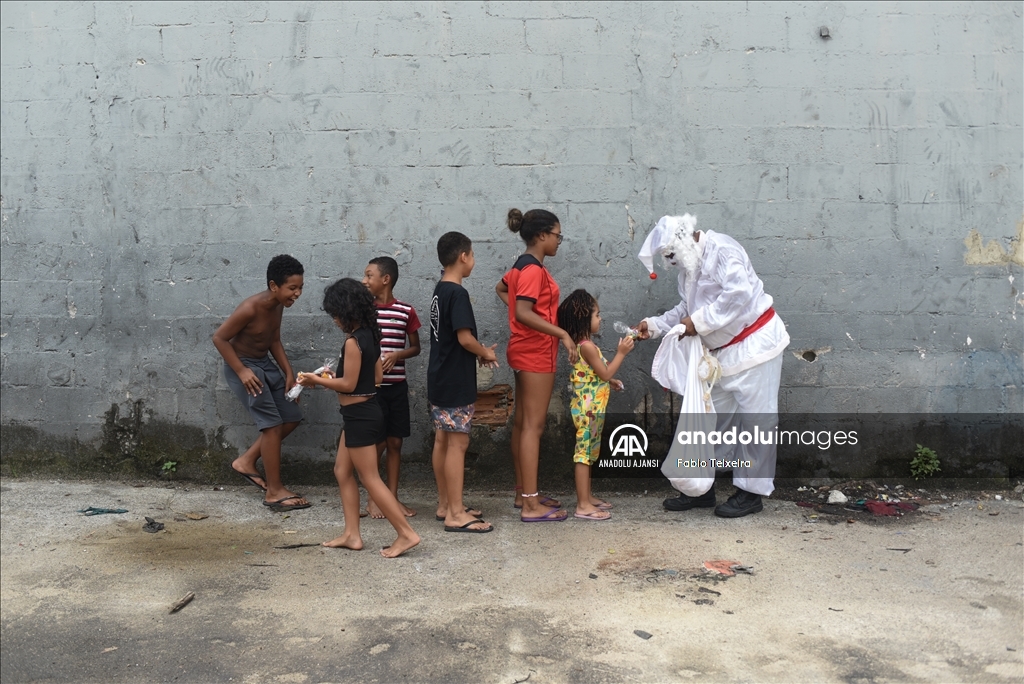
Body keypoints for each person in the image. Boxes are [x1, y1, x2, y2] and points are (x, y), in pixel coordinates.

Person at [634, 214, 790, 518]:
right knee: (709, 423)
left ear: (683, 241)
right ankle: (700, 489)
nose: (670, 263)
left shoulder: (724, 250)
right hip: (721, 356)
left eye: (670, 255)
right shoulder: (689, 270)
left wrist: (698, 322)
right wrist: (653, 326)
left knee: (756, 424)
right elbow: (687, 310)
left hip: (757, 346)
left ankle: (750, 493)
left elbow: (738, 295)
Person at [296, 278, 420, 558]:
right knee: (342, 471)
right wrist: (331, 379)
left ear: (346, 312)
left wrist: (317, 379)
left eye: (336, 314)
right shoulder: (372, 336)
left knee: (370, 478)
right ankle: (352, 534)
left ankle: (406, 533)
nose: (335, 320)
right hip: (360, 414)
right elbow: (376, 377)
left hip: (360, 415)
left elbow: (349, 385)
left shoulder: (353, 342)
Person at [496, 208, 577, 523]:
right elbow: (524, 312)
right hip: (535, 353)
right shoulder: (533, 270)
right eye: (558, 235)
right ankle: (530, 505)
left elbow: (503, 290)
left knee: (522, 424)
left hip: (524, 350)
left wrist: (523, 318)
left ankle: (524, 493)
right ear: (542, 235)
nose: (559, 241)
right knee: (533, 427)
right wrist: (562, 334)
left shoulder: (522, 266)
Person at [213, 254, 310, 511]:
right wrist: (242, 371)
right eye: (292, 288)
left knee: (290, 417)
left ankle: (246, 462)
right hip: (243, 368)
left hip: (265, 365)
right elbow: (219, 339)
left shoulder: (278, 305)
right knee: (272, 426)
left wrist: (288, 373)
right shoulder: (250, 308)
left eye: (300, 287)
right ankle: (274, 492)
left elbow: (274, 340)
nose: (297, 293)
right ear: (274, 286)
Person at [428, 232, 498, 533]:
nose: (474, 261)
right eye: (473, 254)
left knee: (443, 440)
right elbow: (464, 337)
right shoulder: (457, 294)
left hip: (439, 375)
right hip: (455, 380)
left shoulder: (439, 289)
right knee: (458, 443)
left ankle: (446, 504)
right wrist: (484, 352)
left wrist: (476, 351)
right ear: (463, 257)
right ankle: (456, 513)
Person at [556, 289, 634, 521]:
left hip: (593, 408)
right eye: (597, 315)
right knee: (584, 453)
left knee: (590, 452)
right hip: (588, 410)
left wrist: (610, 381)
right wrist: (621, 353)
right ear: (584, 319)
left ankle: (587, 496)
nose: (600, 319)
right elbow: (605, 369)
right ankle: (582, 505)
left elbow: (597, 374)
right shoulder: (587, 347)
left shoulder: (587, 345)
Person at [362, 256, 420, 519]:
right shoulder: (365, 312)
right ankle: (375, 498)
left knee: (395, 442)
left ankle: (392, 498)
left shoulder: (406, 311)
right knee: (377, 443)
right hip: (373, 390)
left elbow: (416, 347)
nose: (364, 281)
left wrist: (397, 355)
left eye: (369, 275)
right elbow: (357, 346)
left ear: (385, 279)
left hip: (397, 388)